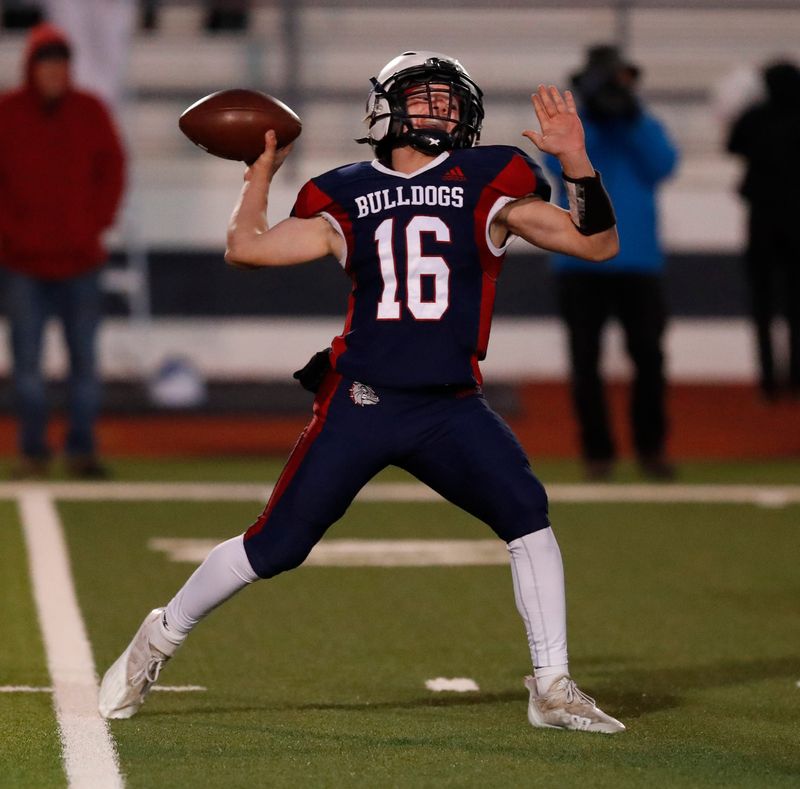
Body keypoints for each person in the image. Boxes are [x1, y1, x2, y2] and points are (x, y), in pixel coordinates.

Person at [99, 51, 625, 734]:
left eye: (450, 100)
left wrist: (576, 162)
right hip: (363, 400)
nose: (442, 110)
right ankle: (159, 635)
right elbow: (247, 248)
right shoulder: (343, 193)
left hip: (448, 405)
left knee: (527, 514)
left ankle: (551, 686)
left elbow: (597, 246)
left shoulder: (491, 180)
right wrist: (259, 175)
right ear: (387, 110)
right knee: (276, 545)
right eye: (426, 97)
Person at [545, 45, 678, 481]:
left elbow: (664, 165)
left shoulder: (642, 124)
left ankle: (651, 449)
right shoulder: (574, 128)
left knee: (650, 358)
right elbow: (556, 166)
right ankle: (597, 453)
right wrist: (592, 122)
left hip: (638, 263)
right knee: (585, 363)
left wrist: (631, 119)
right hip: (580, 262)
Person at [0, 23, 126, 478]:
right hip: (22, 263)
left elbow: (113, 170)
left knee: (84, 365)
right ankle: (33, 450)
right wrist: (12, 235)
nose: (53, 72)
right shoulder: (8, 113)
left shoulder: (90, 111)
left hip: (80, 261)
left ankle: (81, 450)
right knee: (27, 368)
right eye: (45, 64)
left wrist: (93, 224)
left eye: (60, 64)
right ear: (31, 68)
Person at [726, 60, 800, 401]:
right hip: (795, 220)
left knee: (763, 303)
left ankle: (769, 382)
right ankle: (794, 378)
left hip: (763, 220)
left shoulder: (755, 116)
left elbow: (733, 145)